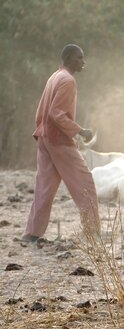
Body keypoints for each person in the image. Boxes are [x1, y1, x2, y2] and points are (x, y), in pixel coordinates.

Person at [21, 44, 101, 242]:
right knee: (85, 182)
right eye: (79, 58)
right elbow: (56, 113)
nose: (83, 62)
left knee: (44, 187)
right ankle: (93, 232)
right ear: (69, 59)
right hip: (59, 140)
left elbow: (42, 112)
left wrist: (42, 131)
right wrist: (80, 131)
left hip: (45, 137)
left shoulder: (54, 76)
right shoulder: (68, 80)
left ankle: (32, 233)